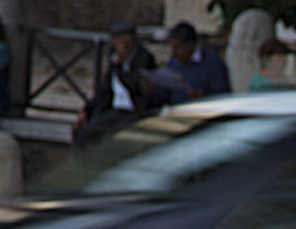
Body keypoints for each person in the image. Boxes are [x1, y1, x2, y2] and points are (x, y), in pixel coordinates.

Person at [72, 21, 159, 149]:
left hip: (134, 111)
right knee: (83, 132)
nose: (124, 44)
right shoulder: (114, 59)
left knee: (111, 137)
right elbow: (104, 89)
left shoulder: (144, 58)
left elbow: (135, 86)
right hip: (114, 110)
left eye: (127, 39)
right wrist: (87, 110)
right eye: (120, 40)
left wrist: (119, 67)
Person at [158, 21, 231, 103]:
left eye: (177, 48)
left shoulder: (213, 63)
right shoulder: (173, 63)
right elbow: (164, 95)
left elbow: (222, 96)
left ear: (190, 45)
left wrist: (202, 97)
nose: (174, 53)